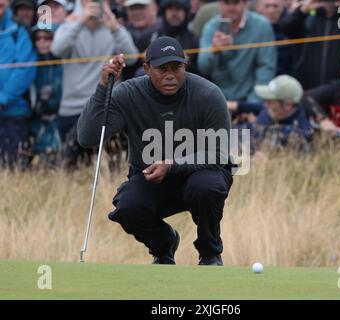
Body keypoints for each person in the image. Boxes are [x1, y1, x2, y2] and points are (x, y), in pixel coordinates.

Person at [77, 36, 233, 266]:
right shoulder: (128, 94)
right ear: (147, 69)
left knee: (206, 188)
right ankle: (163, 245)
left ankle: (210, 253)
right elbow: (87, 137)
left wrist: (172, 165)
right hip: (151, 177)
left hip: (202, 173)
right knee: (128, 206)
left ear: (185, 65)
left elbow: (218, 155)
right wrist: (103, 88)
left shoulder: (208, 94)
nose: (170, 75)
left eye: (176, 67)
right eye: (162, 69)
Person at [51, 0, 138, 169]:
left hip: (108, 105)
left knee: (112, 170)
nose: (94, 4)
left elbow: (133, 57)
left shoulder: (114, 28)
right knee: (70, 170)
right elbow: (56, 49)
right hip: (72, 107)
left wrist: (115, 28)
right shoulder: (70, 25)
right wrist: (80, 21)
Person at [278, 0, 340, 89]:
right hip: (306, 86)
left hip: (338, 89)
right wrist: (302, 10)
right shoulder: (308, 17)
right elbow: (284, 28)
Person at [198, 0, 277, 103]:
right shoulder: (211, 27)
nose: (231, 7)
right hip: (218, 99)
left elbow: (266, 68)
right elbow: (203, 68)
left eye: (235, 2)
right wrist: (214, 50)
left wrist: (251, 104)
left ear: (245, 3)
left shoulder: (261, 26)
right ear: (220, 5)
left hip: (250, 98)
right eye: (227, 3)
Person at [228, 75, 313, 153]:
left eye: (270, 101)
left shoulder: (297, 135)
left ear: (288, 105)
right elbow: (247, 106)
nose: (265, 104)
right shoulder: (275, 111)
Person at [0, 0, 37, 168]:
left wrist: (2, 98)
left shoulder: (20, 33)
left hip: (14, 113)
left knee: (13, 170)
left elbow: (24, 71)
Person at [30, 25, 63, 166]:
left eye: (47, 38)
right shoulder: (30, 62)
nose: (42, 41)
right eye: (38, 38)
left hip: (59, 119)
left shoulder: (63, 62)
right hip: (36, 120)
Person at [153, 0, 200, 74]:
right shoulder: (154, 36)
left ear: (185, 12)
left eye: (178, 8)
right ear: (164, 12)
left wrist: (188, 64)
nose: (174, 13)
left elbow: (204, 72)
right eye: (170, 9)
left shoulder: (195, 40)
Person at [122, 0, 162, 79]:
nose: (137, 12)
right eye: (132, 8)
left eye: (141, 7)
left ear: (154, 8)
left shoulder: (167, 29)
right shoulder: (122, 32)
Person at [256, 0, 292, 75]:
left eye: (276, 6)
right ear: (258, 8)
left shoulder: (291, 26)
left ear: (282, 7)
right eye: (267, 6)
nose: (272, 10)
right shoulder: (251, 27)